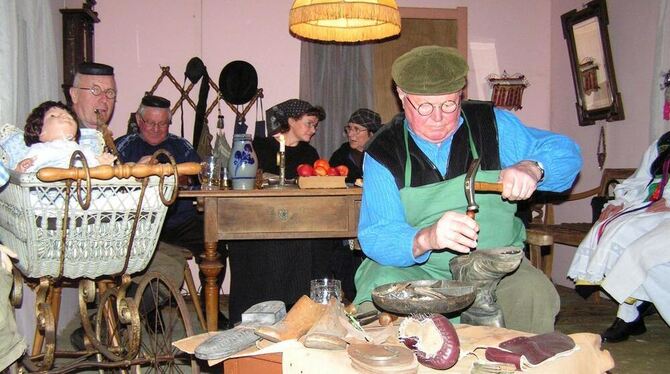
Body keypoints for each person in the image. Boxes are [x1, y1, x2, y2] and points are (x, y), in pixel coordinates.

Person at [354, 45, 582, 334]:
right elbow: (377, 233)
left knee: (533, 293)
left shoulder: (493, 126)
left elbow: (566, 153)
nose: (437, 117)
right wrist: (427, 238)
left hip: (497, 267)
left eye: (449, 104)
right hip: (420, 270)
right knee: (381, 289)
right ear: (401, 95)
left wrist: (533, 167)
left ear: (461, 93)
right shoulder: (384, 151)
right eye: (424, 106)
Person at [227, 99, 340, 324]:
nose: (313, 130)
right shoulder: (261, 147)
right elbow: (250, 179)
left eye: (315, 125)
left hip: (297, 217)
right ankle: (259, 310)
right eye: (309, 124)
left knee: (321, 242)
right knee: (255, 244)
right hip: (262, 217)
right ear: (291, 121)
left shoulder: (309, 152)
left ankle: (301, 309)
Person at [568, 131, 670, 342]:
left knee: (641, 253)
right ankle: (630, 313)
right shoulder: (663, 143)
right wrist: (619, 201)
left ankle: (633, 310)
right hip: (652, 209)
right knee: (613, 230)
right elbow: (640, 179)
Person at [15, 101, 115, 172]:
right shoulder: (40, 149)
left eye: (69, 116)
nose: (64, 116)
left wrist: (103, 163)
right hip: (51, 191)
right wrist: (21, 168)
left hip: (85, 191)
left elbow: (96, 170)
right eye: (53, 115)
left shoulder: (83, 150)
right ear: (40, 132)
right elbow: (22, 177)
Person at [329, 108, 382, 184]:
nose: (350, 134)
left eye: (357, 129)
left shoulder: (382, 156)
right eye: (349, 128)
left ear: (371, 134)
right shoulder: (340, 156)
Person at [69, 62, 117, 130]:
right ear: (74, 94)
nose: (104, 99)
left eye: (110, 93)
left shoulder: (105, 138)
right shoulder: (61, 135)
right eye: (95, 90)